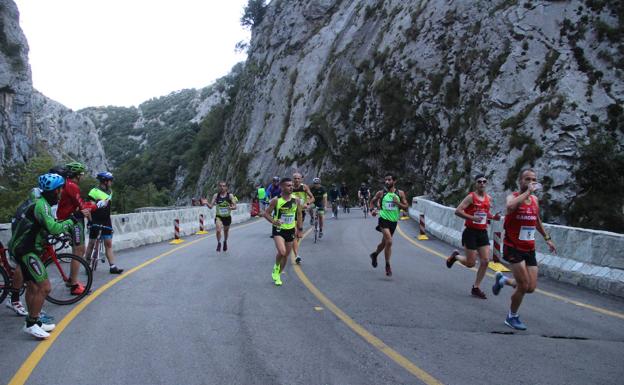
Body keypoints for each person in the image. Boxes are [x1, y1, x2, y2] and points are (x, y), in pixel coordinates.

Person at [8, 173, 77, 339]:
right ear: (54, 190)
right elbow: (53, 227)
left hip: (22, 248)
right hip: (27, 251)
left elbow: (43, 226)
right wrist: (73, 221)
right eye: (60, 189)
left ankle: (35, 320)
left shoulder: (40, 201)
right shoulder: (42, 205)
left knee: (32, 286)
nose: (61, 192)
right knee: (44, 287)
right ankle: (31, 323)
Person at [492, 168, 557, 330]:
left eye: (533, 179)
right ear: (520, 181)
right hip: (513, 247)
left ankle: (503, 280)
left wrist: (547, 238)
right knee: (523, 285)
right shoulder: (513, 197)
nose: (531, 182)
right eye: (527, 179)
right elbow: (510, 206)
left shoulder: (534, 200)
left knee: (530, 287)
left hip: (529, 248)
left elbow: (536, 220)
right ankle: (511, 316)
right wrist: (527, 192)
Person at [446, 174, 501, 299]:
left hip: (482, 232)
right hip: (470, 232)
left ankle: (476, 287)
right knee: (471, 263)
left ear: (486, 184)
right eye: (479, 181)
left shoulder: (489, 199)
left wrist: (494, 217)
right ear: (476, 184)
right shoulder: (471, 197)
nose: (482, 183)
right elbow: (458, 211)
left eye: (484, 181)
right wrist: (472, 218)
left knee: (485, 261)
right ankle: (456, 257)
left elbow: (486, 214)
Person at [56, 161, 97, 295]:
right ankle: (74, 285)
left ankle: (71, 280)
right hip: (72, 220)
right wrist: (96, 205)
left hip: (68, 218)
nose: (82, 176)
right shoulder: (72, 186)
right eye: (81, 174)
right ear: (76, 175)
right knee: (78, 251)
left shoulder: (66, 184)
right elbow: (82, 207)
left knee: (79, 250)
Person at [263, 178, 303, 286]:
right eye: (288, 185)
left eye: (291, 185)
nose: (291, 187)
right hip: (279, 229)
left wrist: (299, 229)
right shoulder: (276, 200)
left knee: (286, 256)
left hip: (290, 229)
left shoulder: (296, 200)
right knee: (282, 252)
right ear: (282, 187)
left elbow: (299, 215)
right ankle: (276, 267)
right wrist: (274, 221)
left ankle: (278, 274)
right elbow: (266, 214)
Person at [369, 174, 409, 277]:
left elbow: (406, 207)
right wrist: (372, 210)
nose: (387, 182)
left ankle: (375, 255)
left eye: (389, 180)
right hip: (383, 219)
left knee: (384, 243)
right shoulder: (381, 193)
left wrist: (398, 204)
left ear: (394, 181)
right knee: (389, 241)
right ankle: (387, 265)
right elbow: (372, 202)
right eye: (385, 180)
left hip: (393, 221)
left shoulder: (400, 193)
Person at [85, 172, 123, 274]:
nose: (111, 182)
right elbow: (88, 208)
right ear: (105, 181)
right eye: (110, 180)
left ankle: (113, 266)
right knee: (91, 243)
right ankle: (87, 265)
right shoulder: (94, 191)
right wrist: (90, 221)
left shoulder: (110, 191)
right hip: (95, 220)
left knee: (108, 243)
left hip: (106, 220)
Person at [206, 181, 237, 252]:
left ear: (226, 187)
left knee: (226, 231)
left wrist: (231, 208)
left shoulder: (230, 196)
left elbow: (235, 206)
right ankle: (219, 243)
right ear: (218, 187)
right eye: (220, 186)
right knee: (218, 230)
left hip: (227, 217)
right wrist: (206, 203)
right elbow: (211, 206)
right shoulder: (216, 195)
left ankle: (225, 241)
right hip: (219, 216)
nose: (222, 187)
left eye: (223, 186)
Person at [291, 172, 314, 264]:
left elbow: (312, 198)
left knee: (297, 235)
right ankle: (296, 255)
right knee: (294, 233)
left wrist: (307, 203)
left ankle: (293, 247)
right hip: (290, 212)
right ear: (293, 179)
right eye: (295, 178)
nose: (296, 180)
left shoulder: (304, 187)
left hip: (301, 212)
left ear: (301, 179)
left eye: (298, 178)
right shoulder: (290, 187)